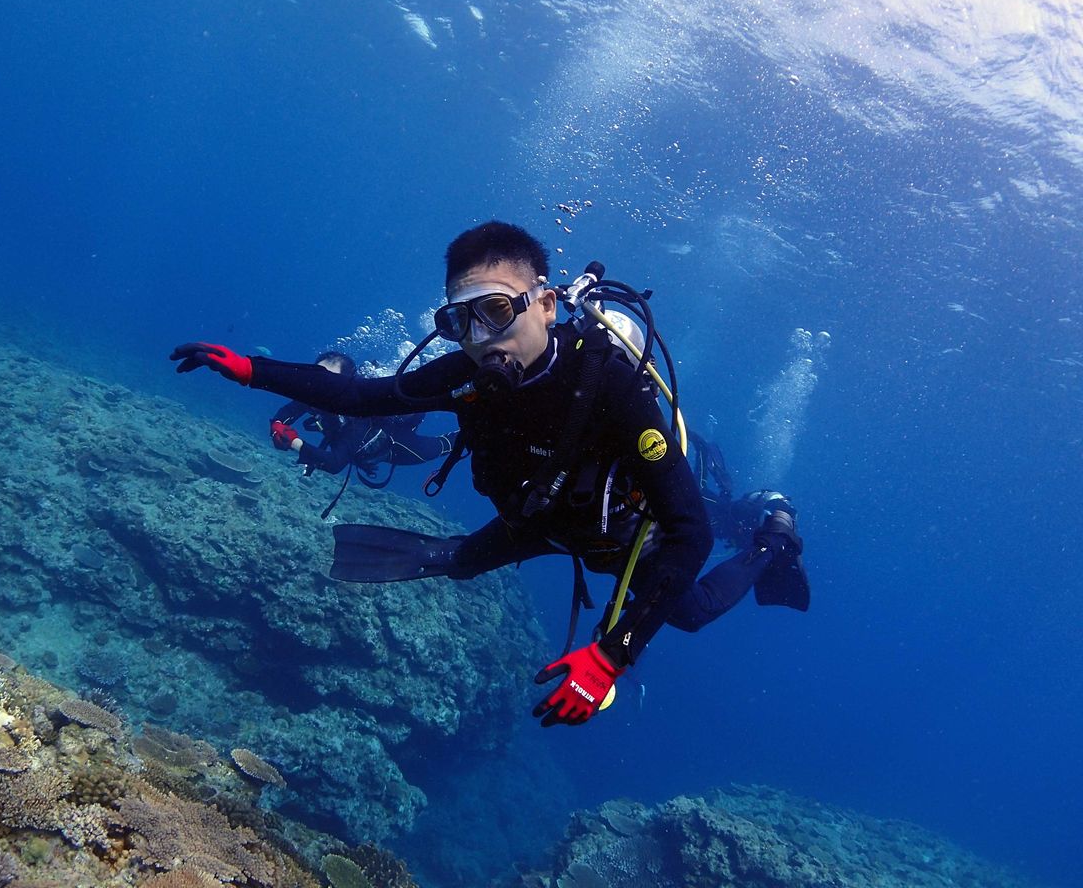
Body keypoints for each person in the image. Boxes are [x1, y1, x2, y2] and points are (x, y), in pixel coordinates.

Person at [171, 221, 805, 727]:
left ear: (546, 305)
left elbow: (690, 533)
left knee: (688, 611)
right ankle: (454, 554)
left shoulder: (611, 384)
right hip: (540, 520)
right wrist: (252, 370)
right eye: (460, 321)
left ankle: (772, 537)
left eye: (496, 310)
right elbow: (364, 397)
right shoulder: (466, 374)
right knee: (460, 561)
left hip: (621, 534)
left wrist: (614, 654)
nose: (480, 338)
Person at [268, 351, 457, 516]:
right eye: (317, 376)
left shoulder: (357, 417)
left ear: (345, 385)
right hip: (352, 446)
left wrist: (293, 442)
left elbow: (334, 463)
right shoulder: (316, 392)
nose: (321, 384)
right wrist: (277, 424)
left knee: (442, 446)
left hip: (396, 444)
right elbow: (290, 410)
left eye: (329, 379)